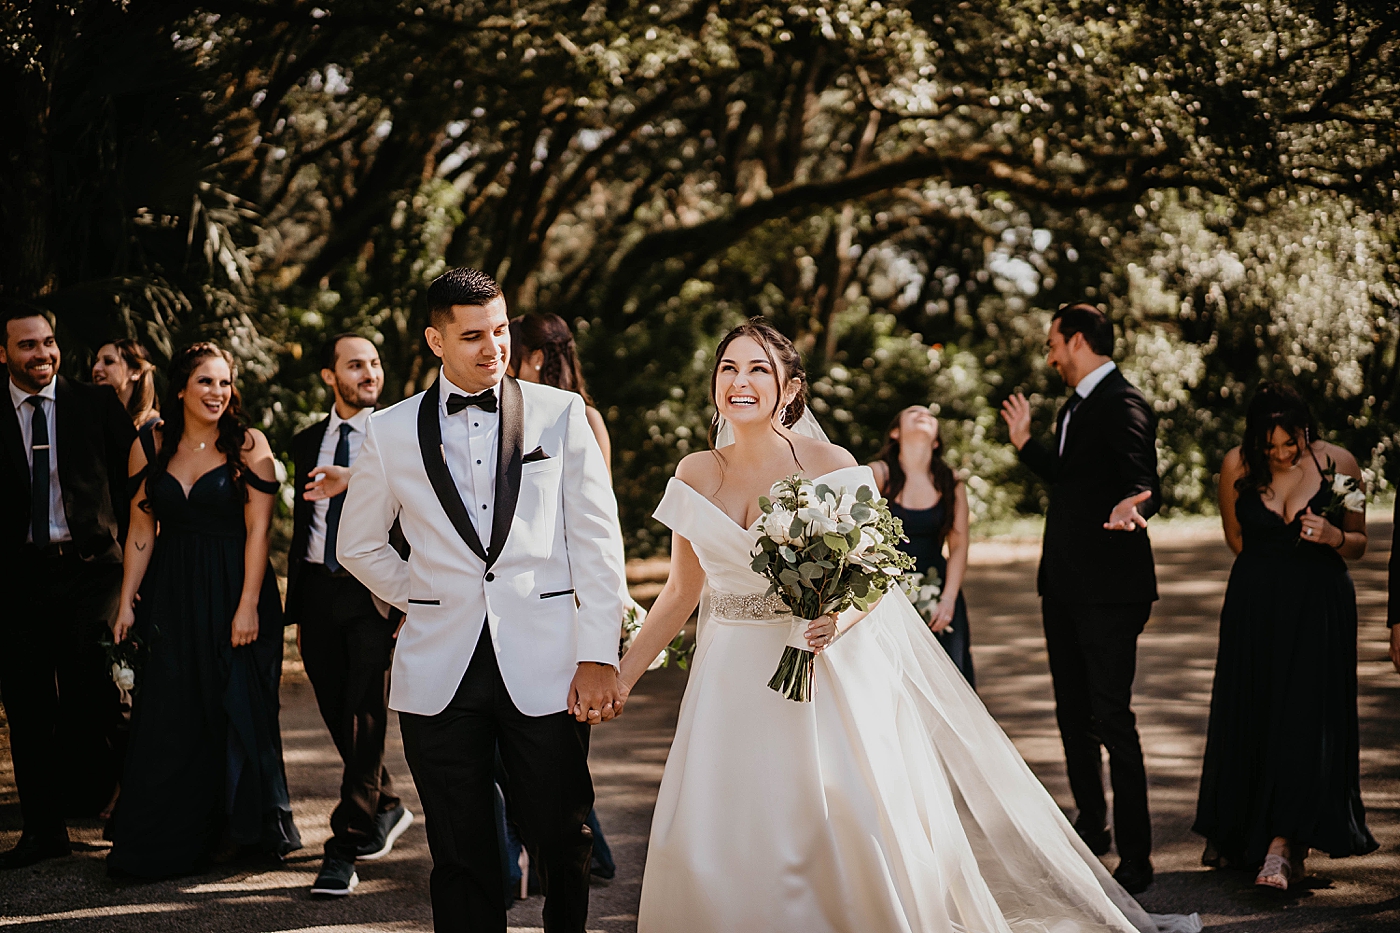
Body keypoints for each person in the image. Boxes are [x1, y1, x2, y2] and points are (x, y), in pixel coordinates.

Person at [620, 318, 1195, 933]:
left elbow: (876, 569)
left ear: (789, 388)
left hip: (817, 672)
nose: (740, 381)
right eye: (729, 368)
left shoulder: (830, 464)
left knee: (832, 822)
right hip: (727, 681)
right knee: (721, 827)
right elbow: (683, 590)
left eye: (759, 368)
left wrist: (838, 614)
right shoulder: (694, 471)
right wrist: (619, 676)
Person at [336, 268, 629, 933]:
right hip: (439, 673)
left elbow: (597, 542)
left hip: (549, 665)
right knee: (461, 854)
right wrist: (423, 595)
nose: (493, 346)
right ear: (436, 339)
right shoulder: (387, 431)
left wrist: (597, 653)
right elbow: (358, 544)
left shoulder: (561, 415)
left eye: (499, 330)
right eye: (472, 336)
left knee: (565, 836)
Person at [107, 342, 301, 878]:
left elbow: (259, 531)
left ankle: (238, 831)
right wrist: (126, 602)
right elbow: (142, 529)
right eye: (206, 382)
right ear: (181, 389)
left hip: (238, 588)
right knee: (173, 707)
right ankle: (176, 831)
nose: (218, 392)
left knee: (235, 706)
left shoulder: (248, 445)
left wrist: (246, 607)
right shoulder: (149, 443)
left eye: (225, 382)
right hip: (172, 590)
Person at [999, 302, 1161, 894]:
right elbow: (1072, 480)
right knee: (1073, 717)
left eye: (1053, 344)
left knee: (1112, 719)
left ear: (1077, 340)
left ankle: (1138, 857)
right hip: (1063, 589)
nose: (1050, 356)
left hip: (1108, 595)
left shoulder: (1123, 403)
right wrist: (1026, 445)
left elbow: (1146, 481)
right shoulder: (1077, 406)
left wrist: (1134, 505)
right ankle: (1093, 828)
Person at [1193, 383, 1377, 889]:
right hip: (1255, 607)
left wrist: (1334, 536)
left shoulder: (1340, 466)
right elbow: (1236, 538)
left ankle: (1284, 846)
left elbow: (1360, 541)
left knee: (1304, 718)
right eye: (1269, 445)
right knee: (1253, 710)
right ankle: (1244, 829)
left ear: (1305, 430)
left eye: (1288, 443)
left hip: (1319, 608)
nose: (1279, 453)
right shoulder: (1237, 465)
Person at [0, 306, 135, 869]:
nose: (43, 355)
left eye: (49, 342)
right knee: (28, 705)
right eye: (28, 345)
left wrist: (136, 579)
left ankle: (126, 804)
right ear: (3, 353)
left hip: (91, 572)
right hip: (16, 579)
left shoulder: (95, 404)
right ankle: (43, 830)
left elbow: (135, 495)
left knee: (95, 692)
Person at [286, 334, 413, 897]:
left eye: (374, 363)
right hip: (315, 590)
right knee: (336, 709)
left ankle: (348, 841)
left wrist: (410, 599)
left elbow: (415, 513)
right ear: (328, 376)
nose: (369, 373)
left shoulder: (399, 436)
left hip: (371, 595)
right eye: (355, 364)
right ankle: (385, 801)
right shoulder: (305, 442)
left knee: (364, 711)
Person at [508, 311, 616, 881]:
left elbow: (595, 519)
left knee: (554, 742)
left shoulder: (579, 418)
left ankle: (569, 853)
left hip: (561, 600)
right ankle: (568, 854)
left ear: (528, 358)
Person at [872, 405, 974, 685]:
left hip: (939, 586)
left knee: (949, 679)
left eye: (929, 416)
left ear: (937, 439)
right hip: (883, 590)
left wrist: (948, 598)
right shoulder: (878, 474)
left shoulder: (951, 482)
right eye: (912, 413)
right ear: (895, 432)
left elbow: (959, 544)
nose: (923, 415)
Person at [509, 313, 611, 472]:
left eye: (510, 358)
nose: (504, 369)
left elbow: (601, 493)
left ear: (537, 359)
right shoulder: (507, 413)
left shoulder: (588, 418)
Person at [92, 339, 159, 430]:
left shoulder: (153, 427)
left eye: (109, 361)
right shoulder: (92, 419)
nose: (96, 368)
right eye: (96, 361)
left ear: (136, 372)